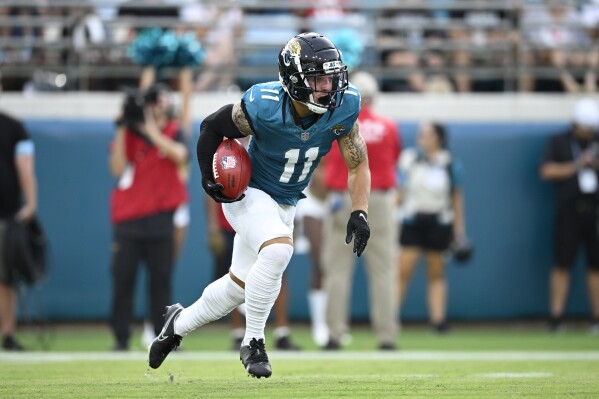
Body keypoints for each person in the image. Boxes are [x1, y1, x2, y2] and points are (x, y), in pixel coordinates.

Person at [149, 32, 370, 378]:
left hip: (287, 200)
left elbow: (358, 164)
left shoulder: (344, 104)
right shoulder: (264, 104)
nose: (329, 86)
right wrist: (209, 178)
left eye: (331, 76)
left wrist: (360, 211)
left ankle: (177, 324)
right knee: (280, 252)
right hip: (249, 192)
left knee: (239, 286)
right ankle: (254, 343)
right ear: (294, 82)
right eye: (318, 79)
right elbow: (210, 127)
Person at [321, 71, 401, 350]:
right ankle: (387, 335)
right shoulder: (388, 127)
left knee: (337, 270)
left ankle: (334, 333)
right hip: (378, 199)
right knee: (383, 270)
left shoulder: (336, 125)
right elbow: (394, 160)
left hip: (342, 197)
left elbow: (325, 164)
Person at [108, 77, 189, 351]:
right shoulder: (130, 134)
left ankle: (163, 337)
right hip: (129, 219)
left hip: (161, 218)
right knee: (123, 281)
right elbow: (117, 169)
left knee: (161, 284)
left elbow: (180, 155)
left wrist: (151, 129)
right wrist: (121, 128)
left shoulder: (174, 131)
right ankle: (121, 338)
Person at [397, 122, 467, 334]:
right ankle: (389, 320)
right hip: (412, 220)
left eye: (426, 134)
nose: (421, 138)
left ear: (438, 138)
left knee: (436, 272)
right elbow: (400, 190)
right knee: (403, 270)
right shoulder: (409, 159)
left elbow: (456, 197)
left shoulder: (449, 162)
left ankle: (438, 321)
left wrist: (459, 230)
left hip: (439, 221)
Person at [206, 196, 300, 351]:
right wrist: (213, 226)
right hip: (232, 222)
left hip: (267, 222)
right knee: (235, 276)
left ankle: (281, 332)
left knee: (278, 273)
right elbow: (211, 187)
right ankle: (238, 333)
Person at [540, 97, 599, 334]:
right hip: (568, 211)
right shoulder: (559, 141)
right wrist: (576, 165)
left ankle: (596, 319)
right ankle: (556, 318)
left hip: (594, 210)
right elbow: (545, 170)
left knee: (596, 267)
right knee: (562, 264)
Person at [0, 98, 37, 351]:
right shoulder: (14, 126)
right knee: (4, 278)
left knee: (5, 277)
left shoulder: (15, 126)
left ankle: (8, 333)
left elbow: (24, 167)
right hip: (7, 213)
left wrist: (30, 204)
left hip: (6, 214)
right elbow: (24, 168)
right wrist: (31, 204)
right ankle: (8, 333)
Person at [293, 163, 329, 347]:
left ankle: (333, 323)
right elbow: (318, 182)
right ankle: (319, 324)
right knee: (320, 264)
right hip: (311, 203)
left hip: (337, 203)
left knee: (334, 268)